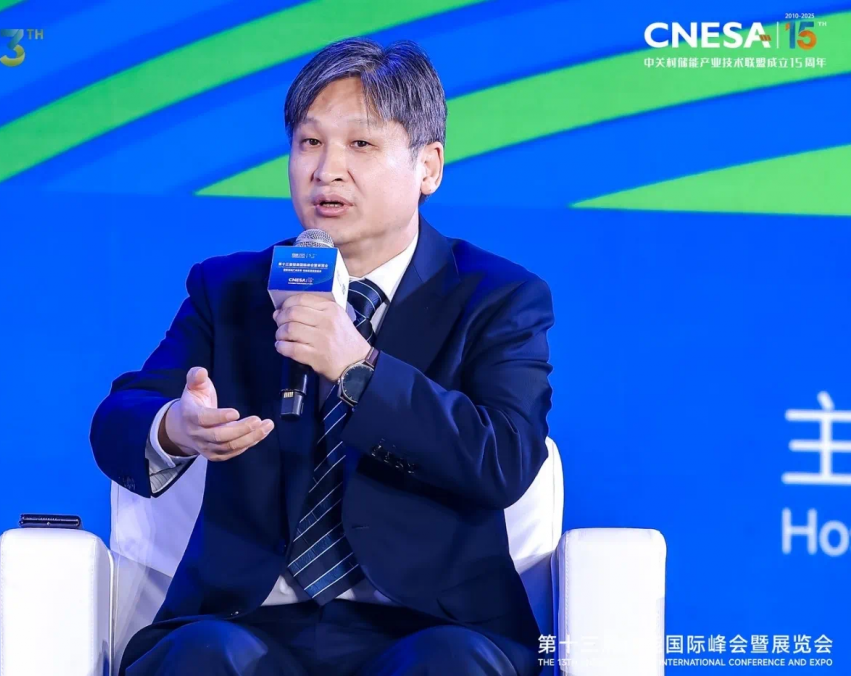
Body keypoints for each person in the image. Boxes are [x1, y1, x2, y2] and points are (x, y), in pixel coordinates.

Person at [91, 37, 554, 676]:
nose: (326, 169)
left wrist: (360, 369)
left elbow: (505, 458)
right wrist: (176, 426)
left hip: (432, 626)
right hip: (245, 623)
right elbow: (118, 420)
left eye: (360, 144)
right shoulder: (232, 288)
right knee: (202, 658)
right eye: (309, 142)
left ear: (428, 167)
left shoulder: (496, 297)